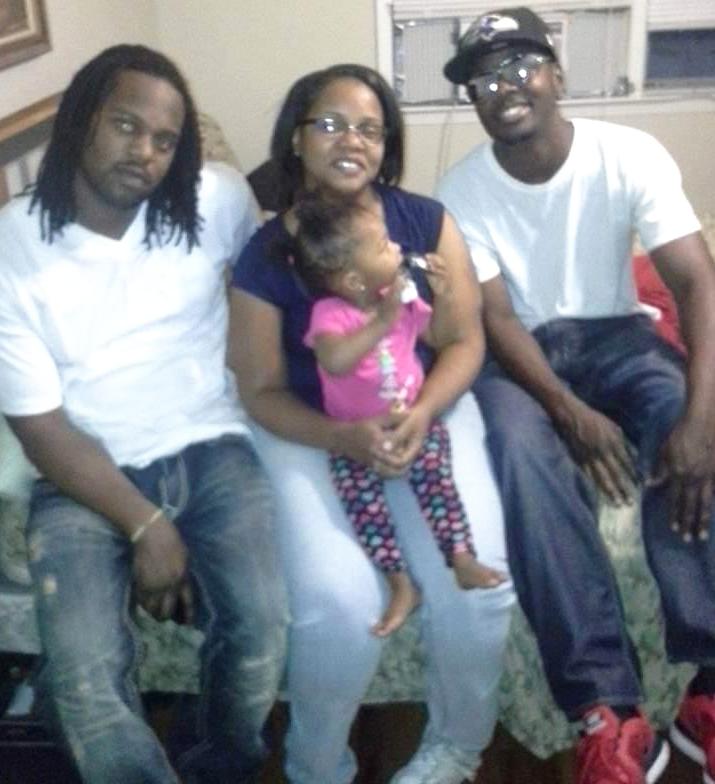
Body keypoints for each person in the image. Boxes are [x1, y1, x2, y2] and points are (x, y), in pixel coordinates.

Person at [437, 7, 715, 784]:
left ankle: (707, 689)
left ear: (555, 75)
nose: (503, 87)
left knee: (682, 420)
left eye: (519, 65)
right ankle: (606, 708)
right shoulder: (460, 190)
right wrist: (568, 413)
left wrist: (700, 415)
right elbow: (494, 318)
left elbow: (695, 279)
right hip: (517, 355)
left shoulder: (626, 154)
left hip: (617, 334)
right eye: (483, 80)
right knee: (518, 451)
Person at [0, 45, 288, 784]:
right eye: (126, 126)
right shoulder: (12, 244)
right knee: (85, 679)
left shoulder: (216, 198)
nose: (146, 153)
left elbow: (270, 286)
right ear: (80, 119)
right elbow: (40, 427)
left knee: (261, 628)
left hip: (212, 444)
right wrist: (145, 526)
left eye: (165, 139)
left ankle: (214, 764)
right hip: (82, 468)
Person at [229, 64, 514, 784]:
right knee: (338, 604)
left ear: (387, 146)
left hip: (424, 410)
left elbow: (464, 340)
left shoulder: (424, 224)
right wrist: (341, 438)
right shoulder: (266, 254)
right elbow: (259, 388)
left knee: (479, 586)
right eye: (330, 124)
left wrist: (422, 411)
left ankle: (457, 747)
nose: (350, 140)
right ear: (296, 139)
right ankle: (317, 766)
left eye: (369, 128)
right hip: (310, 426)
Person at [292, 195, 507, 636]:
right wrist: (382, 320)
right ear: (354, 279)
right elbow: (334, 360)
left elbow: (439, 336)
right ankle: (400, 583)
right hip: (356, 437)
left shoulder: (402, 297)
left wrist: (443, 296)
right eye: (383, 246)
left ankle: (461, 556)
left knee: (439, 482)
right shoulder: (331, 314)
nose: (396, 248)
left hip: (411, 420)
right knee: (363, 506)